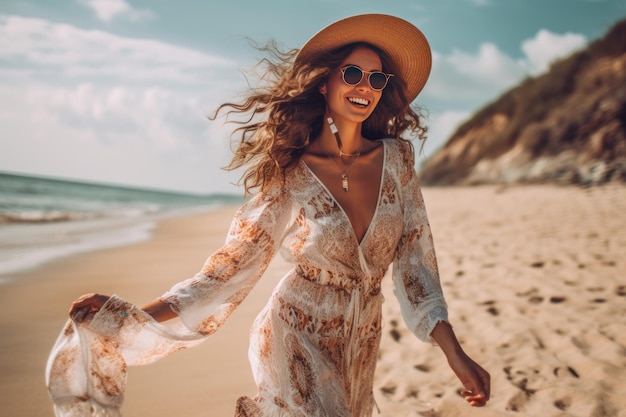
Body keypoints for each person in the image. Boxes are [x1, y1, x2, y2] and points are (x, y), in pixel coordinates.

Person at [46, 13, 490, 417]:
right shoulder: (292, 173)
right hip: (294, 333)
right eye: (353, 73)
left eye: (377, 79)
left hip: (361, 343)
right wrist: (127, 316)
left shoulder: (398, 161)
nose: (364, 86)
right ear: (325, 83)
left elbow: (417, 264)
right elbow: (229, 270)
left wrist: (455, 354)